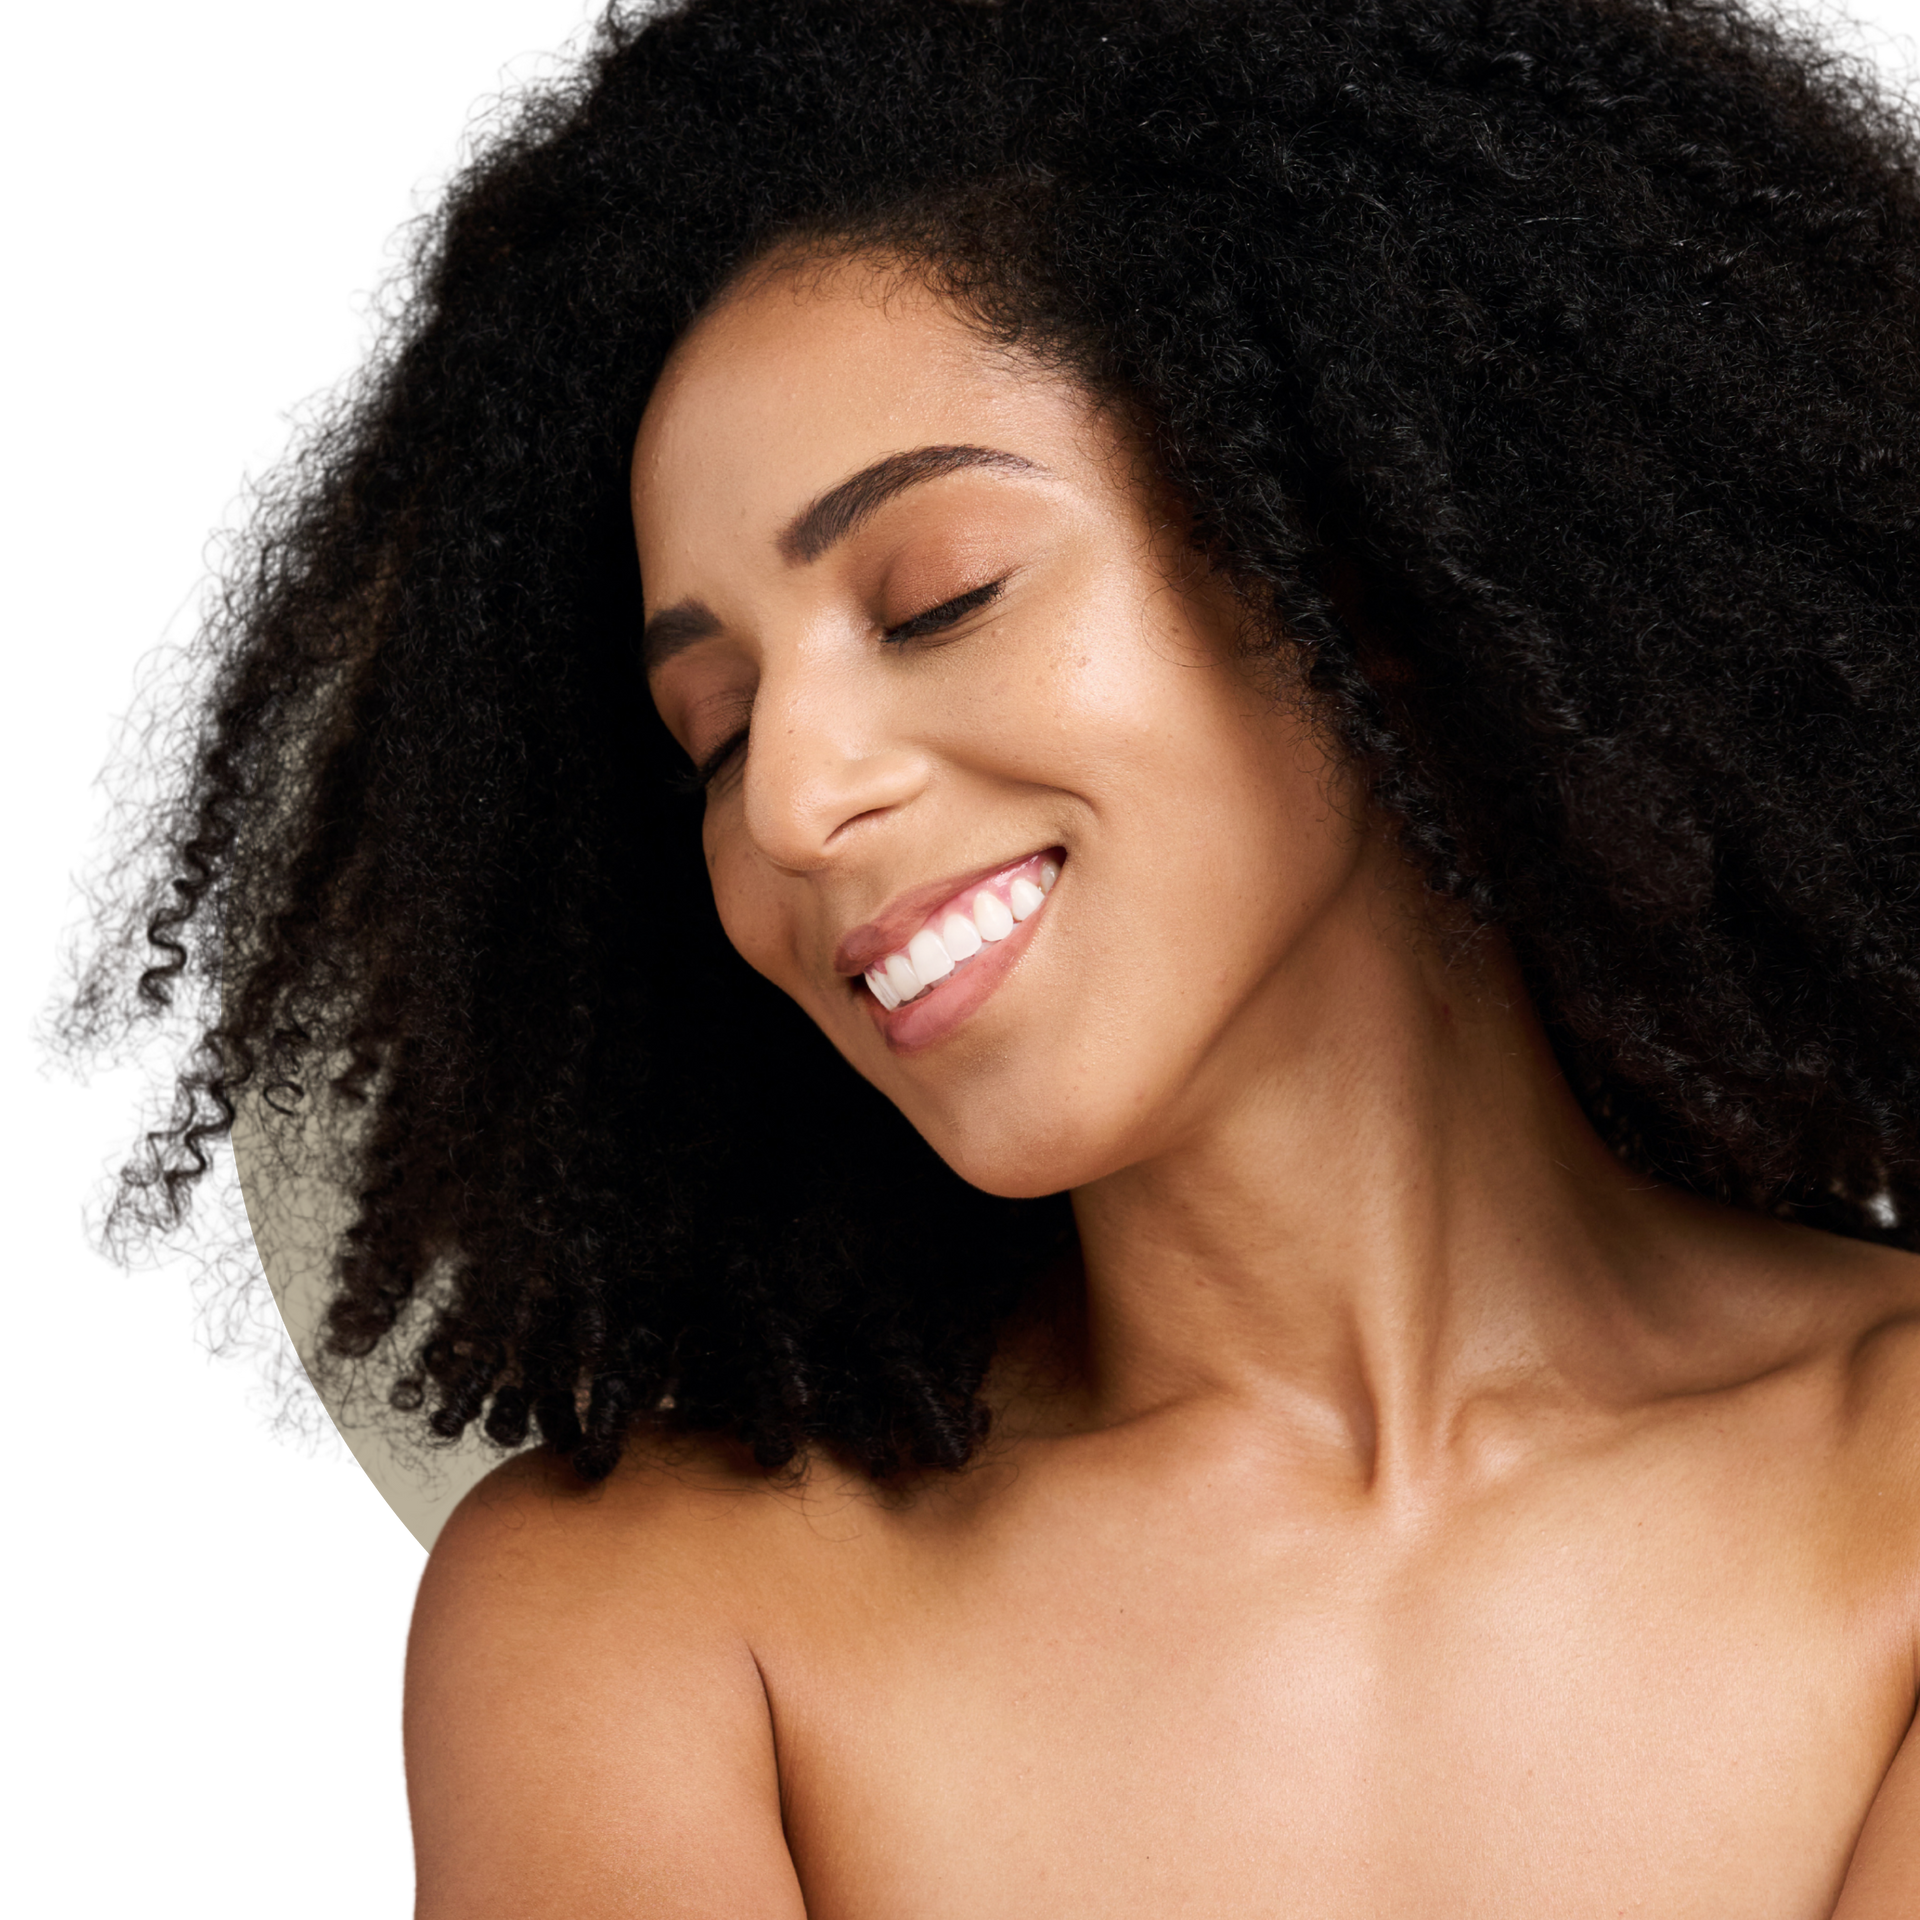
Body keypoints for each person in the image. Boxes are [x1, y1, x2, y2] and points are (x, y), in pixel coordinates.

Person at [60, 0, 1917, 1910]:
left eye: (937, 596)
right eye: (710, 727)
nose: (788, 801)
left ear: (1358, 580)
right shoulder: (652, 1622)